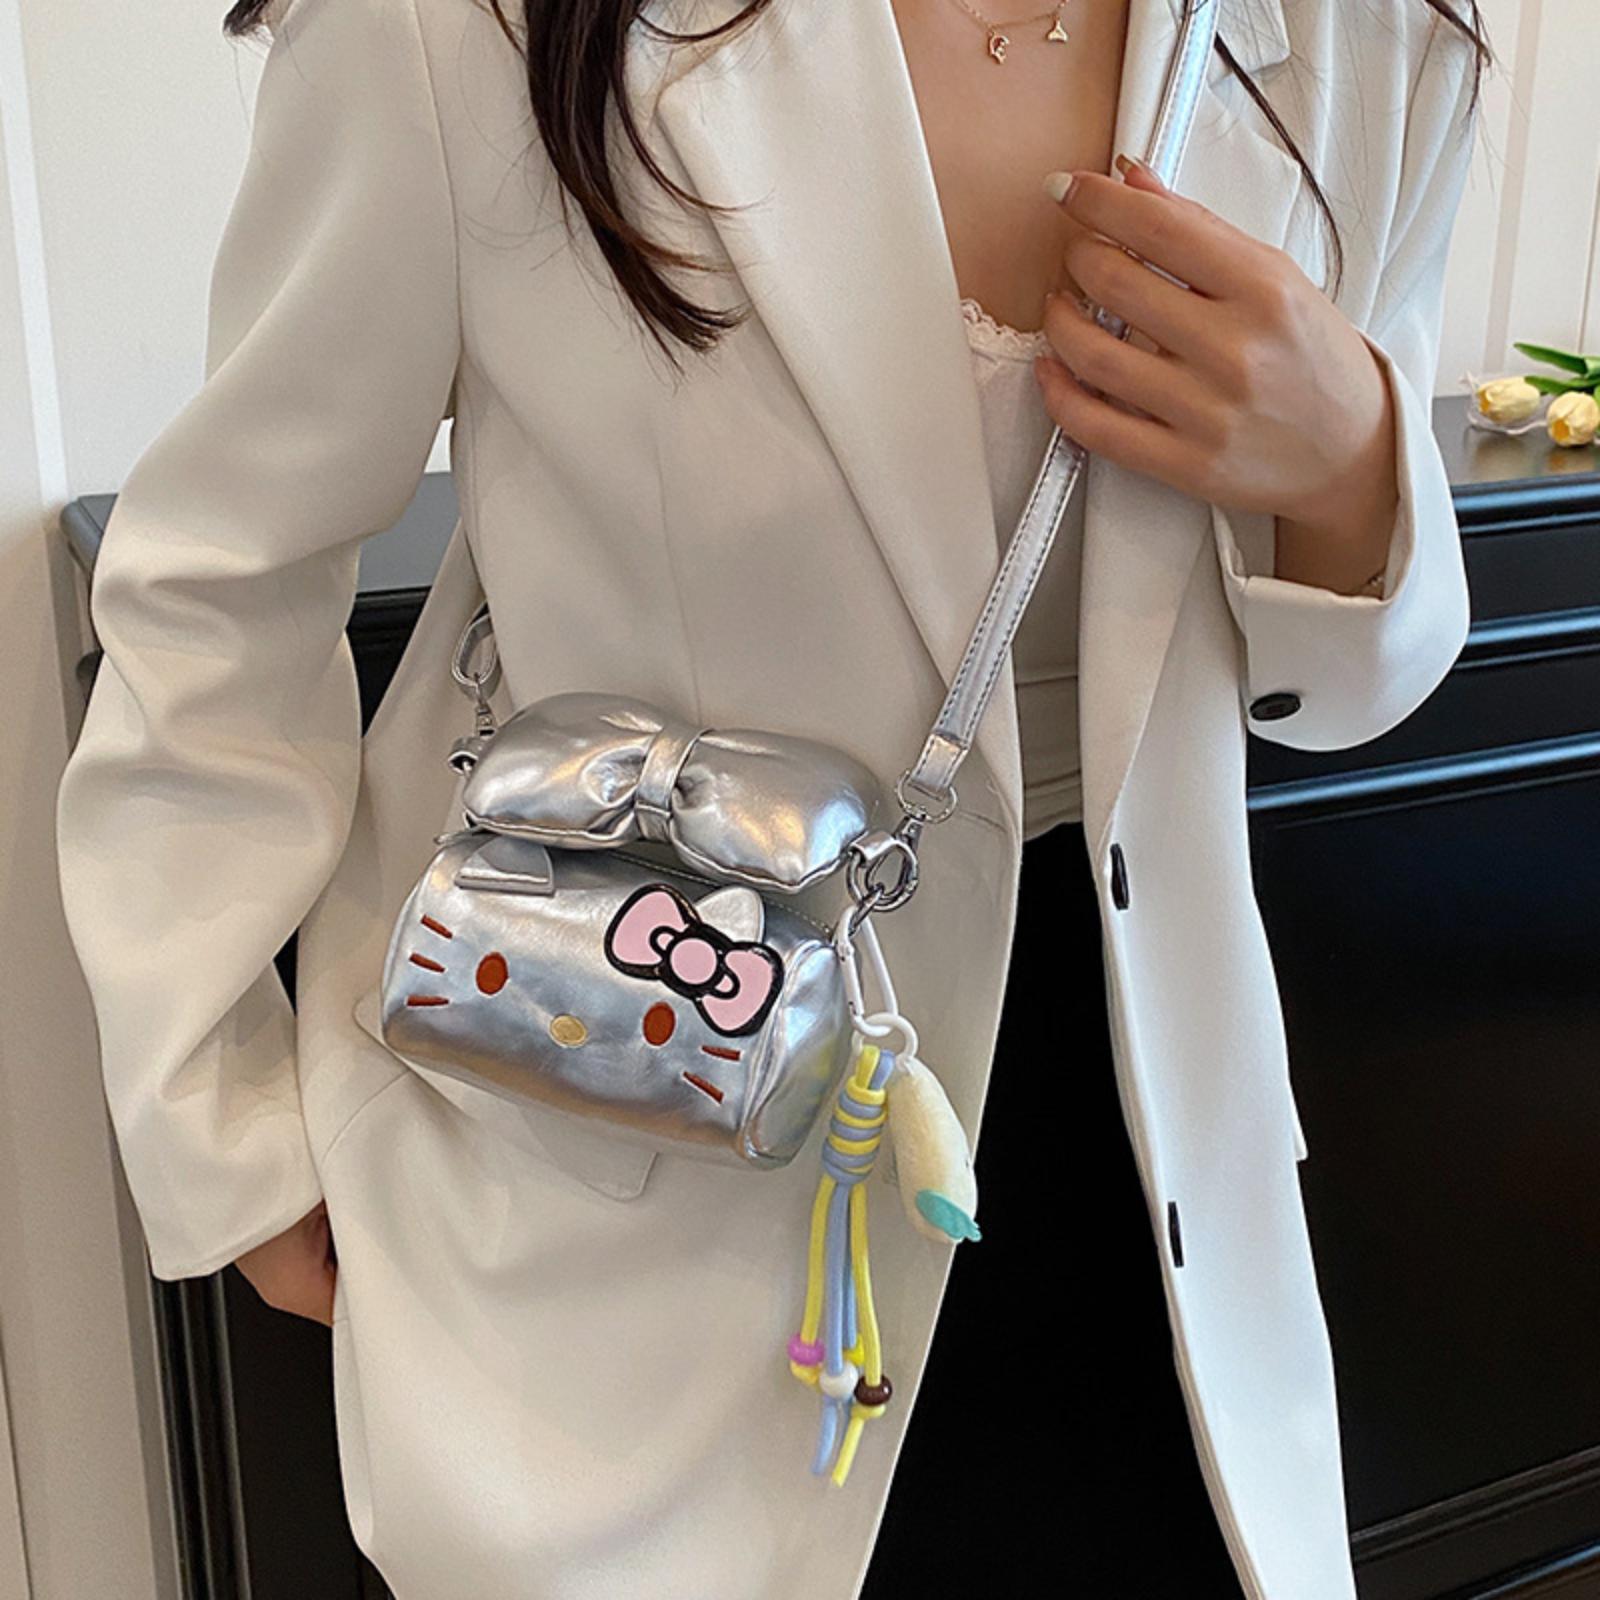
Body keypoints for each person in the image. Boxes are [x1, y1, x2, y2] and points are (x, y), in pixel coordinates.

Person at [54, 0, 1489, 1594]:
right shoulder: (459, 27)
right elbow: (222, 584)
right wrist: (222, 1128)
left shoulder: (1373, 35)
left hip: (1152, 1179)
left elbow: (1338, 691)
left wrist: (1353, 467)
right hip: (641, 1154)